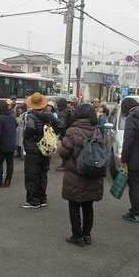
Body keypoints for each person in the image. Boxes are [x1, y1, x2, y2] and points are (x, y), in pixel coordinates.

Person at [58, 104, 105, 247]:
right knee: (88, 205)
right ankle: (87, 235)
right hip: (93, 173)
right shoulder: (97, 131)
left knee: (74, 205)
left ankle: (77, 236)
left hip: (75, 174)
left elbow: (63, 153)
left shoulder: (72, 131)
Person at [22, 92, 62, 208]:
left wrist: (28, 138)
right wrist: (51, 134)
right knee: (43, 174)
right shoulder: (48, 115)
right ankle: (42, 198)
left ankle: (33, 201)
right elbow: (59, 125)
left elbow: (30, 128)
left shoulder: (31, 116)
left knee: (31, 175)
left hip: (33, 149)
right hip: (46, 149)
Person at [0, 100, 18, 187]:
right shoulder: (12, 117)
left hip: (2, 144)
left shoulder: (0, 118)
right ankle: (8, 180)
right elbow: (15, 126)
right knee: (10, 163)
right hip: (11, 143)